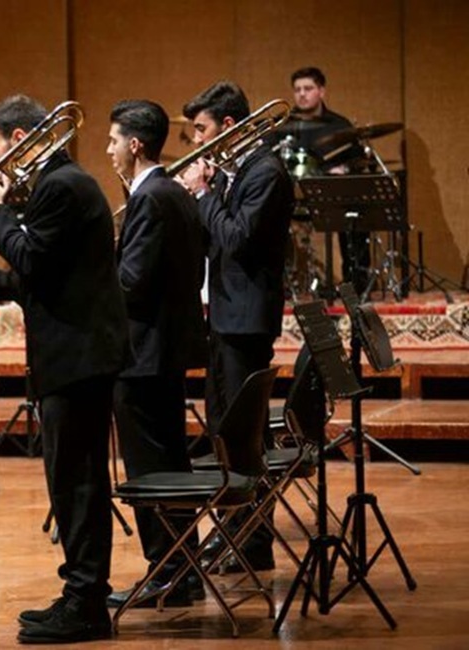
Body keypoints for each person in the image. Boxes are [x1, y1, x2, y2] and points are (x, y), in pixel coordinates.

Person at [0, 95, 127, 644]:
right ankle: (80, 592)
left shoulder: (61, 186)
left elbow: (29, 260)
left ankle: (87, 604)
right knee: (70, 481)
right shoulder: (60, 183)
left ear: (19, 140)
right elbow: (33, 281)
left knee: (78, 483)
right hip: (73, 355)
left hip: (78, 358)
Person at [180, 81, 294, 573]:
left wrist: (204, 192)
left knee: (244, 434)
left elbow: (238, 240)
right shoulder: (236, 170)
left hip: (246, 322)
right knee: (223, 429)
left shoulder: (266, 171)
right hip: (225, 316)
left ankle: (254, 541)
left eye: (201, 129)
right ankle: (235, 530)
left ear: (228, 126)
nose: (196, 140)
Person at [104, 100, 208, 608]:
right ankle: (182, 572)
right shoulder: (177, 193)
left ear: (135, 144)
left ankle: (166, 572)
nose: (108, 150)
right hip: (165, 352)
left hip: (142, 356)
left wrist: (91, 277)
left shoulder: (149, 197)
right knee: (170, 463)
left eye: (113, 141)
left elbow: (131, 283)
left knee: (150, 472)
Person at [282, 67, 371, 290]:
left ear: (321, 91)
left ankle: (356, 282)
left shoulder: (340, 125)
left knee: (356, 210)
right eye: (297, 89)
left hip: (332, 196)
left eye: (308, 88)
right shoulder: (283, 126)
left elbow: (358, 161)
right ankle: (280, 281)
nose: (302, 94)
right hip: (291, 196)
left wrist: (344, 169)